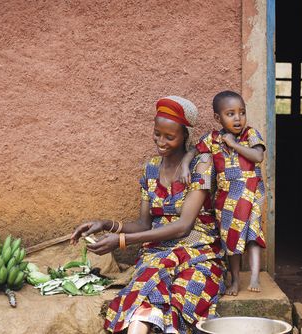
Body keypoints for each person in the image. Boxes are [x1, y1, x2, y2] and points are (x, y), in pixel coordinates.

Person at [70, 96, 225, 334]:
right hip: (157, 252)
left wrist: (121, 241)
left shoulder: (201, 165)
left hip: (198, 252)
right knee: (147, 292)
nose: (160, 142)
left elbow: (184, 226)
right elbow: (144, 223)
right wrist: (105, 225)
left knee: (181, 298)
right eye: (157, 134)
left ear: (185, 136)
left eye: (169, 137)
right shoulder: (151, 167)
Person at [179, 90, 266, 296]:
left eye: (242, 112)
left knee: (253, 235)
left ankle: (254, 276)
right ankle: (235, 279)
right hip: (226, 198)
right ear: (218, 117)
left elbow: (258, 156)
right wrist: (184, 165)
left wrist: (234, 144)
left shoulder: (250, 134)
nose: (238, 118)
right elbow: (193, 151)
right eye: (231, 114)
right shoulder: (212, 138)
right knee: (231, 239)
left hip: (251, 194)